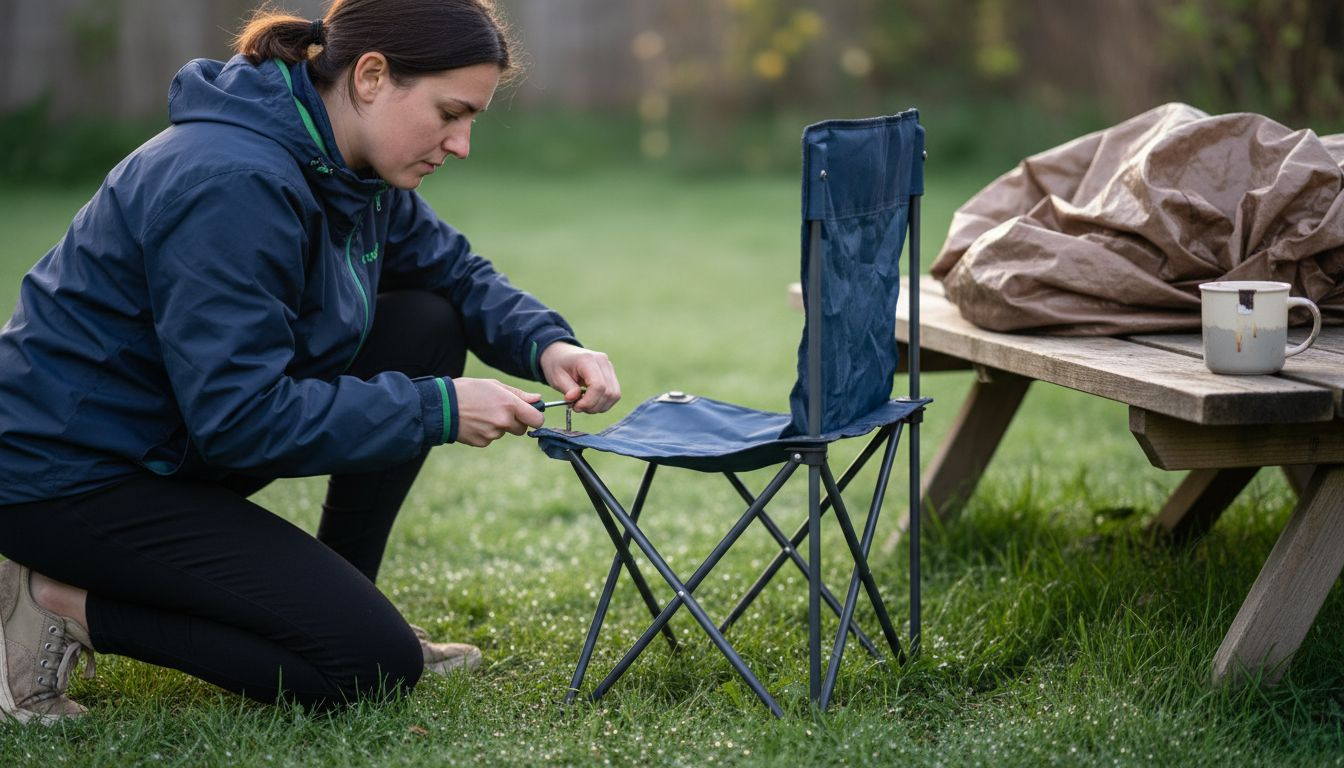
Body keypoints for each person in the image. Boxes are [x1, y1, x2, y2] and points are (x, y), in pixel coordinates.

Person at [0, 0, 619, 722]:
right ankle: (54, 601)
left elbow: (452, 272)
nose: (461, 144)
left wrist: (549, 342)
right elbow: (240, 418)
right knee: (366, 664)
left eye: (472, 119)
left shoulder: (349, 166)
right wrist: (439, 408)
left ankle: (341, 592)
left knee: (425, 322)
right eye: (450, 113)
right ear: (371, 76)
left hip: (171, 443)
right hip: (65, 477)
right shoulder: (231, 181)